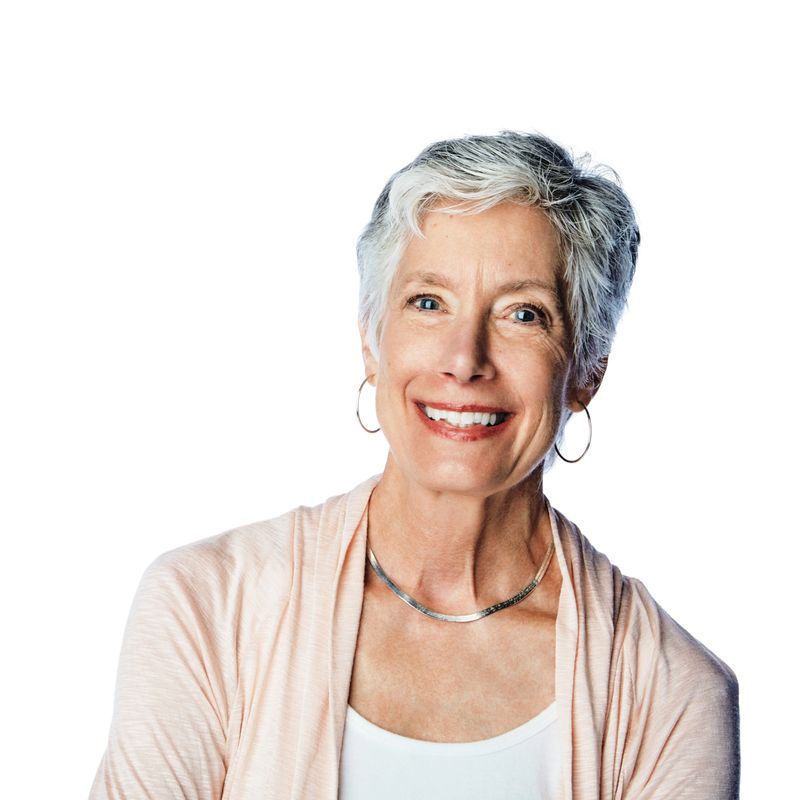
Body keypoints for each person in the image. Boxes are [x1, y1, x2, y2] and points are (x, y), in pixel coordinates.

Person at [89, 131, 739, 799]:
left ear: (588, 370)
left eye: (524, 314)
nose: (465, 358)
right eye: (428, 302)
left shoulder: (673, 693)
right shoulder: (206, 606)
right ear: (372, 340)